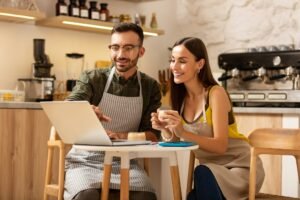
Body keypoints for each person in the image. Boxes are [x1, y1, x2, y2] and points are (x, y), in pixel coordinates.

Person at [151, 37, 265, 200]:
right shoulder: (181, 99)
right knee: (193, 197)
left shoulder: (215, 94)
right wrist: (164, 128)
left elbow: (220, 146)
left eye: (182, 61)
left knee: (201, 173)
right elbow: (179, 139)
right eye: (172, 60)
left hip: (241, 167)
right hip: (211, 172)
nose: (174, 67)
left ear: (200, 64)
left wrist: (183, 131)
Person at [64, 23, 162, 200]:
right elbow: (70, 106)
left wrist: (120, 135)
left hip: (125, 163)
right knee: (87, 196)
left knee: (145, 196)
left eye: (128, 48)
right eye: (115, 47)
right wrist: (85, 111)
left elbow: (153, 135)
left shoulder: (150, 86)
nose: (121, 55)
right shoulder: (93, 78)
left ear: (141, 51)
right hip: (85, 161)